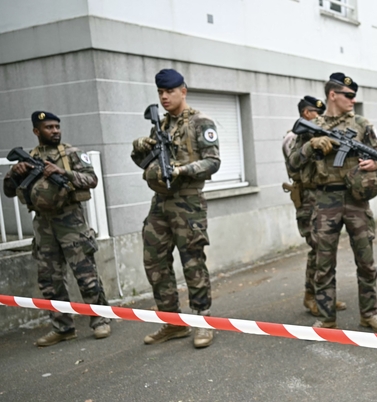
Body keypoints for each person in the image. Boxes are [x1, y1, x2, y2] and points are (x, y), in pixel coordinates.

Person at [288, 72, 377, 332]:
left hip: (356, 201)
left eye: (354, 95)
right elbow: (293, 162)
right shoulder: (311, 124)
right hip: (324, 200)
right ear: (332, 95)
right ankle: (326, 318)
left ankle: (370, 314)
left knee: (366, 262)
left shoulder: (362, 124)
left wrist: (376, 163)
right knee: (323, 263)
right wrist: (311, 146)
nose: (353, 100)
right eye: (348, 95)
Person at [2, 111, 111, 346]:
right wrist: (13, 175)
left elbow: (92, 180)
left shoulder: (71, 153)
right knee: (49, 280)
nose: (55, 131)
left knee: (86, 275)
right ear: (36, 131)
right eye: (49, 127)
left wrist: (63, 172)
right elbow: (9, 191)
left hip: (71, 221)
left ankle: (100, 320)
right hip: (43, 224)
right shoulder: (28, 157)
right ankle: (62, 327)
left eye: (57, 127)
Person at [131, 69, 221, 349]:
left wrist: (183, 169)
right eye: (160, 92)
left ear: (183, 91)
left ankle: (203, 320)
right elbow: (147, 164)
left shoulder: (200, 122)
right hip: (160, 203)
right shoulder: (160, 125)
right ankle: (173, 322)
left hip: (188, 201)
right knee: (154, 262)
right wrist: (139, 149)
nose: (164, 97)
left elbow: (213, 161)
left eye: (169, 91)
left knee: (192, 262)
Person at [281, 96, 346, 316]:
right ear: (306, 114)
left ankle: (325, 295)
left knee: (326, 248)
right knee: (317, 248)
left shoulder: (318, 133)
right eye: (315, 113)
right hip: (306, 198)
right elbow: (295, 162)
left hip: (322, 196)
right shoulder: (294, 137)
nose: (319, 117)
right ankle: (311, 296)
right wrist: (311, 144)